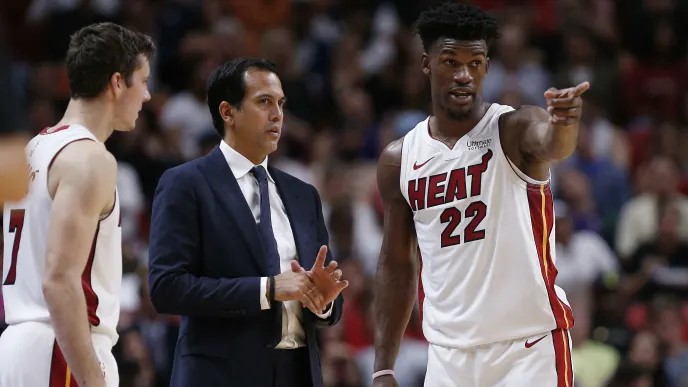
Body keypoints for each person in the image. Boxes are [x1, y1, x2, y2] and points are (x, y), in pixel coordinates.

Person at [372, 2, 590, 386]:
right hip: (447, 356)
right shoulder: (400, 158)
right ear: (426, 64)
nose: (463, 75)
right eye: (450, 62)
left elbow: (553, 144)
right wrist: (384, 366)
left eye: (475, 64)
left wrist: (564, 122)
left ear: (487, 66)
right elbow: (397, 265)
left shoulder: (514, 126)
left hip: (527, 348)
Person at [147, 58, 348, 387]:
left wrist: (324, 302)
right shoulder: (186, 183)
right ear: (228, 112)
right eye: (264, 101)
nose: (278, 115)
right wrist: (267, 289)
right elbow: (166, 288)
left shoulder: (303, 194)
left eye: (281, 103)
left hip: (297, 372)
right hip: (220, 375)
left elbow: (324, 298)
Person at [0, 22, 154, 387]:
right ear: (117, 83)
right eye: (143, 81)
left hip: (18, 344)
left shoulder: (31, 151)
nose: (148, 95)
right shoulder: (90, 159)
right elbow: (59, 281)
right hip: (62, 349)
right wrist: (92, 379)